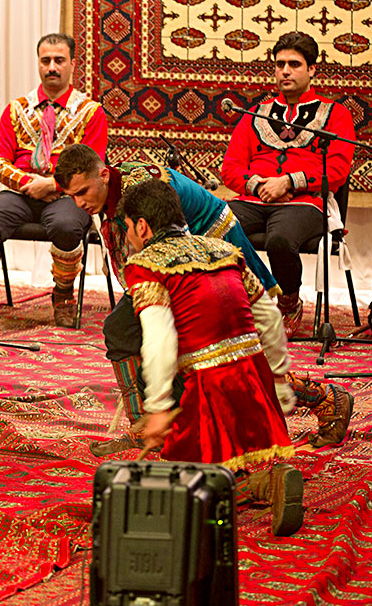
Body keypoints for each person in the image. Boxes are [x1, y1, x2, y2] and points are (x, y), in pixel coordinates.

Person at [54, 144, 353, 453]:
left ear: (103, 175)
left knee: (193, 347)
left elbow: (158, 248)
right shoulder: (113, 191)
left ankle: (321, 398)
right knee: (148, 335)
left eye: (83, 191)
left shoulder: (138, 191)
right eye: (71, 196)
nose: (78, 203)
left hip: (211, 252)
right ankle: (159, 424)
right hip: (186, 258)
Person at [122, 178, 303, 536]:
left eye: (127, 228)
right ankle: (268, 480)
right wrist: (278, 380)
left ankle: (251, 488)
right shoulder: (223, 251)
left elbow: (159, 339)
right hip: (253, 375)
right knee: (239, 450)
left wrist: (158, 406)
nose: (127, 237)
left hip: (209, 384)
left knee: (179, 485)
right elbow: (268, 317)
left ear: (142, 226)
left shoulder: (146, 265)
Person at [0, 33, 108, 338]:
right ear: (38, 64)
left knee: (68, 225)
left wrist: (53, 184)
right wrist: (30, 183)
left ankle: (63, 293)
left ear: (73, 63)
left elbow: (94, 165)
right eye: (46, 61)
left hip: (67, 196)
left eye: (59, 60)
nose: (52, 67)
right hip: (23, 191)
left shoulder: (91, 112)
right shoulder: (17, 109)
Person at [220, 31, 356, 335]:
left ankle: (289, 302)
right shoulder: (254, 114)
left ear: (311, 70)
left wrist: (288, 183)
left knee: (279, 239)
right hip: (254, 200)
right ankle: (245, 300)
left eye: (294, 64)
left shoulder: (335, 115)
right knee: (215, 227)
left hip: (306, 204)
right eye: (280, 64)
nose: (285, 70)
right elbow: (230, 168)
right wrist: (258, 186)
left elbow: (338, 170)